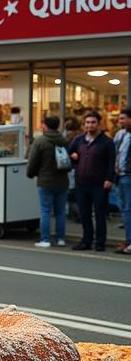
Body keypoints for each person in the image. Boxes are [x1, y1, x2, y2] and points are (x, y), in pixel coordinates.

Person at [67, 110, 116, 252]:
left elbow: (111, 162)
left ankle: (100, 242)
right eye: (87, 123)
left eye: (93, 122)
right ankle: (86, 240)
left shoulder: (107, 142)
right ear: (84, 125)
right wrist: (73, 156)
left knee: (100, 214)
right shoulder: (78, 140)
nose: (90, 125)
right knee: (84, 213)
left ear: (99, 124)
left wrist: (109, 179)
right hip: (81, 183)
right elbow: (68, 155)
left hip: (100, 184)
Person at [26, 115, 72, 248]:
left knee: (45, 211)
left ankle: (45, 239)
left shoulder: (40, 141)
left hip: (45, 180)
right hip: (62, 180)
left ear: (45, 125)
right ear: (58, 126)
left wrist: (31, 174)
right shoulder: (64, 141)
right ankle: (61, 238)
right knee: (60, 211)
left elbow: (33, 161)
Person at [113, 106, 131, 254]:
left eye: (123, 118)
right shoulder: (122, 135)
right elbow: (117, 152)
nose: (120, 121)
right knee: (124, 209)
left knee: (128, 209)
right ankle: (128, 240)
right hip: (121, 176)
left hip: (128, 176)